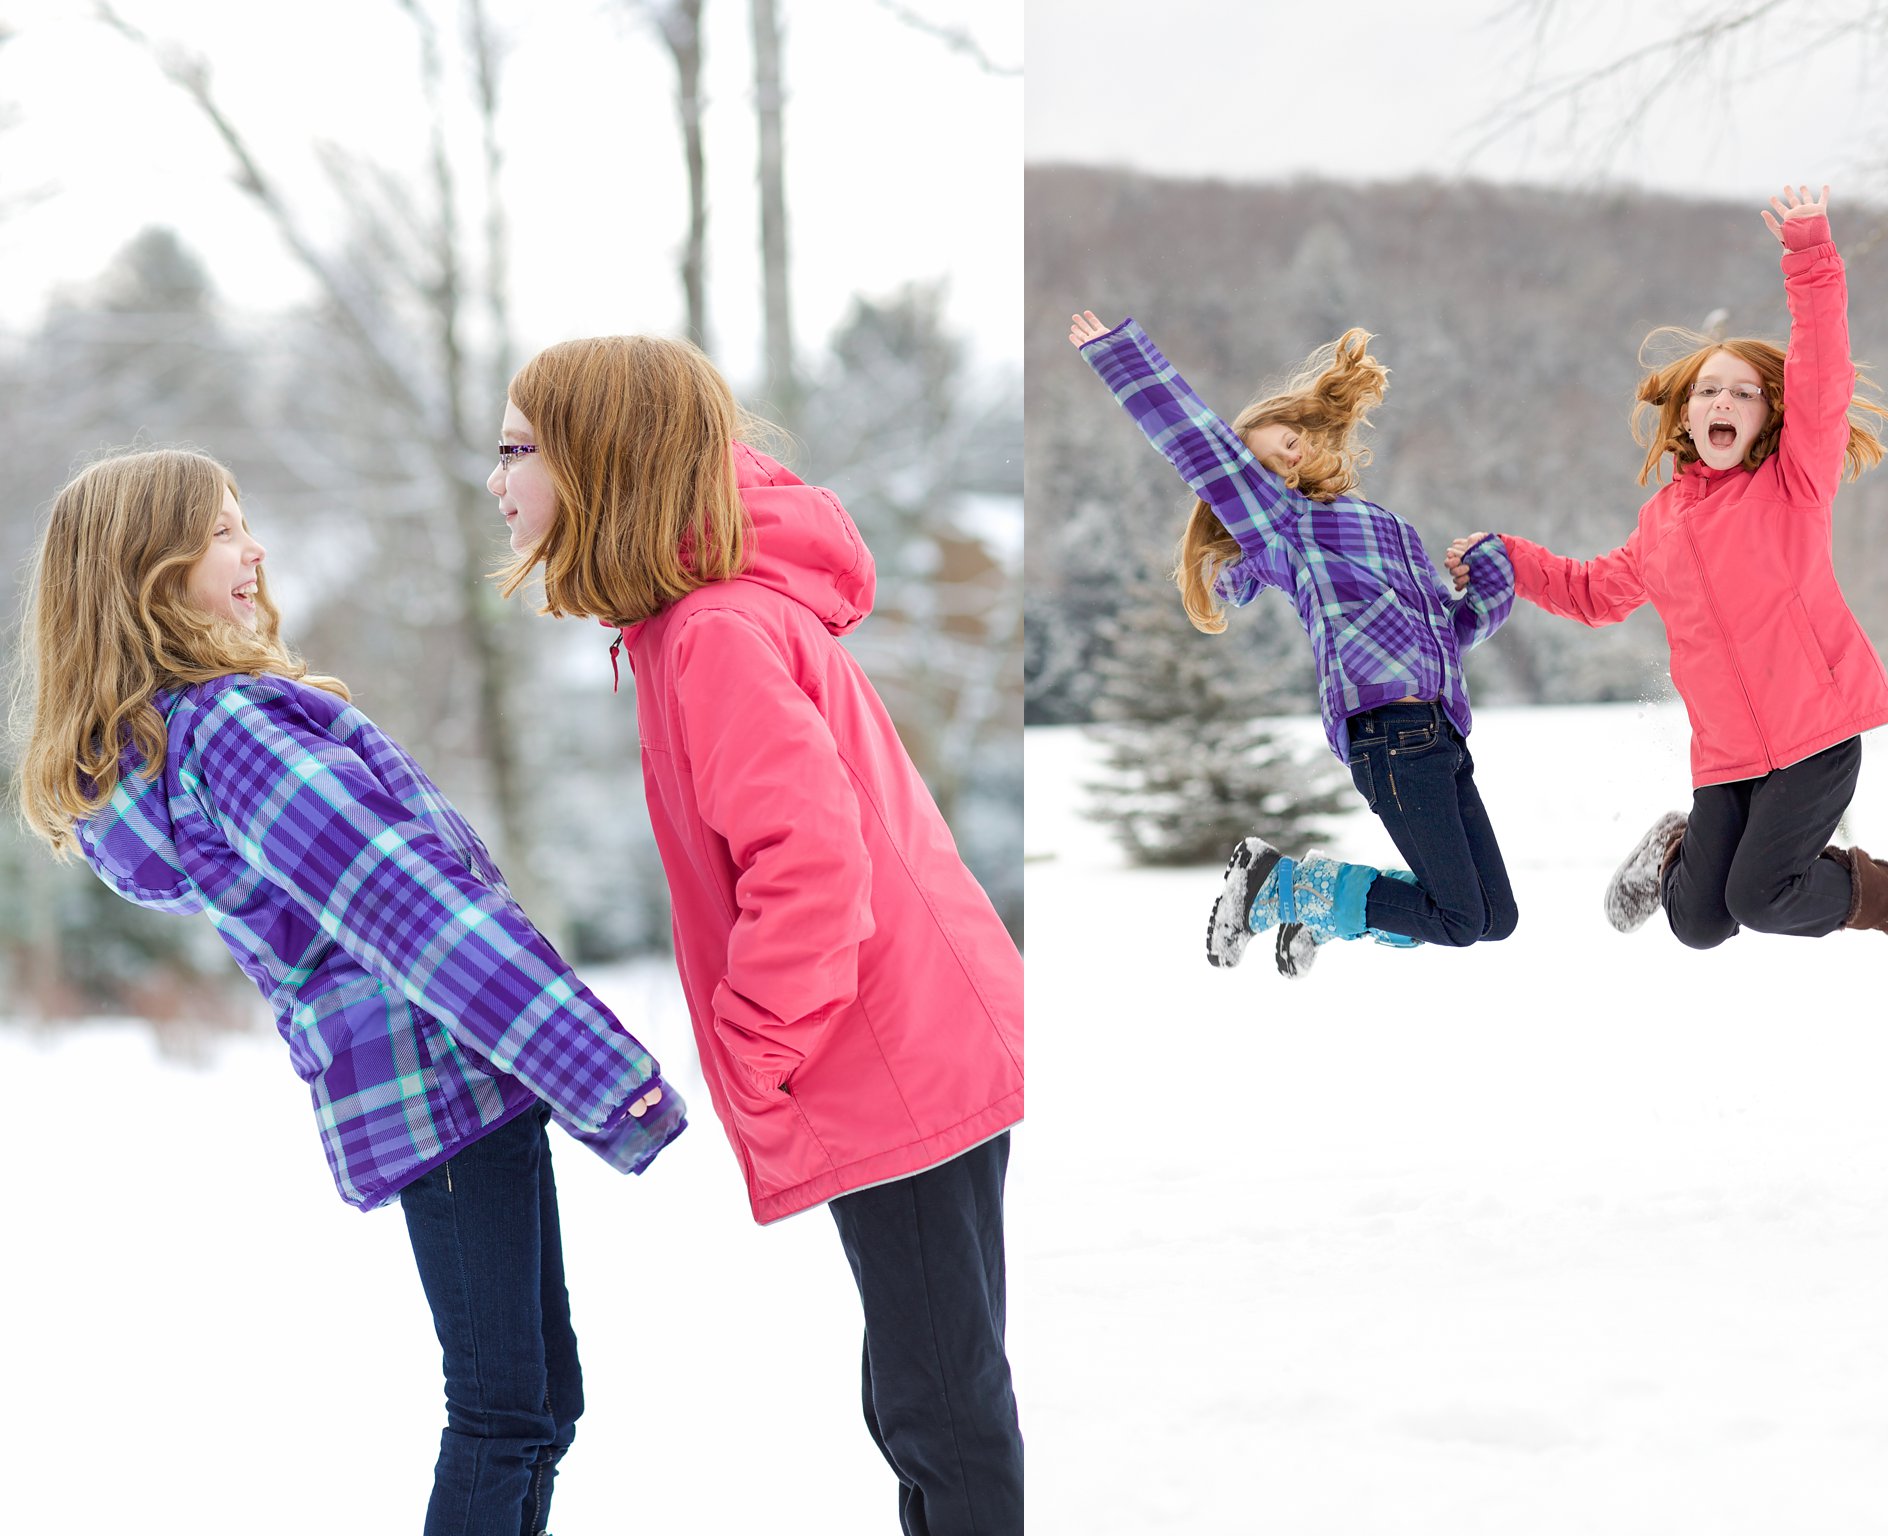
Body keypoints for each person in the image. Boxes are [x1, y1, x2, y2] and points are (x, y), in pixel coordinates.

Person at [14, 448, 685, 1536]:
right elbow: (415, 916)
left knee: (537, 1406)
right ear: (151, 568)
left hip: (437, 1087)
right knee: (505, 1416)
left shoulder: (199, 738)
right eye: (225, 529)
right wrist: (601, 1075)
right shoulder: (233, 734)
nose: (255, 549)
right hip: (446, 1078)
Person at [488, 334, 1025, 1536]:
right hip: (908, 1039)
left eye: (521, 449)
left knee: (940, 1406)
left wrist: (759, 1045)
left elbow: (811, 868)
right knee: (923, 1393)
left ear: (604, 466)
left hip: (890, 1052)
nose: (497, 479)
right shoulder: (699, 627)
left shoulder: (714, 637)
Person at [1444, 184, 1888, 995]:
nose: (1722, 400)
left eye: (1742, 392)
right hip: (1725, 754)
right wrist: (1510, 556)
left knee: (1762, 897)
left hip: (1816, 732)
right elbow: (1592, 593)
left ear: (1769, 416)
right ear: (1685, 419)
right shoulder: (1662, 523)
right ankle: (1670, 850)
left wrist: (1808, 253)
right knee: (1698, 923)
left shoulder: (1796, 482)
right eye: (1706, 392)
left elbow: (1822, 365)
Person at [1070, 309, 1519, 977]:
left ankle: (1324, 906)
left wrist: (1490, 579)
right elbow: (1193, 439)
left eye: (1285, 440)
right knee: (1457, 919)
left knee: (1495, 918)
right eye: (1259, 461)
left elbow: (1453, 634)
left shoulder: (1387, 527)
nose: (1283, 458)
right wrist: (1120, 356)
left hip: (1440, 733)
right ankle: (1277, 885)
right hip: (1388, 735)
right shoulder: (1287, 524)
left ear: (1312, 436)